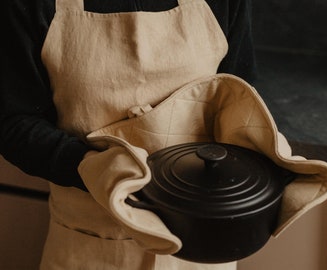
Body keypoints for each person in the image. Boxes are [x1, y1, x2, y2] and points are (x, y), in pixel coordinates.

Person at [0, 0, 256, 269]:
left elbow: (240, 101)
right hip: (90, 238)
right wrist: (93, 167)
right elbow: (13, 121)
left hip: (202, 238)